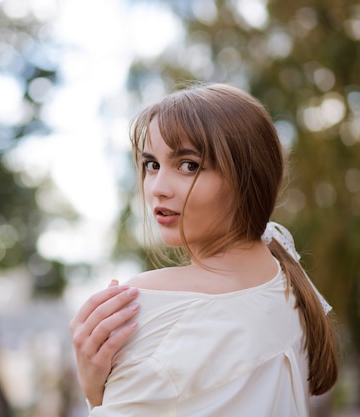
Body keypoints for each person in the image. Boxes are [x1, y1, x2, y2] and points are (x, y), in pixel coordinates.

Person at [69, 83, 338, 416]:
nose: (157, 189)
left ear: (247, 178)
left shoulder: (154, 306)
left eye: (189, 166)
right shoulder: (282, 271)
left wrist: (94, 390)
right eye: (152, 164)